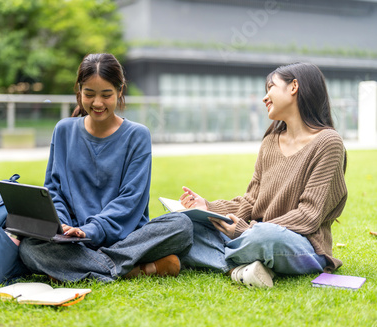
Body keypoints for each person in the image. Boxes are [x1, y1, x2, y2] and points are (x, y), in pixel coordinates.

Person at [19, 53, 192, 283]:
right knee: (28, 248)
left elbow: (131, 200)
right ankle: (132, 269)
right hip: (74, 238)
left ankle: (81, 267)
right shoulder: (63, 130)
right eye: (89, 94)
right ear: (79, 91)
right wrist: (61, 225)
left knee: (182, 226)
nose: (97, 103)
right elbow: (54, 191)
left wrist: (91, 230)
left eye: (106, 95)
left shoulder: (137, 135)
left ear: (120, 91)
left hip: (126, 237)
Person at [178, 62, 348, 288]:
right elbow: (250, 201)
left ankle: (218, 257)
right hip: (254, 235)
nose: (264, 97)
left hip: (298, 244)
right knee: (185, 225)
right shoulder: (270, 142)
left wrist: (247, 231)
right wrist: (207, 207)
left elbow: (308, 216)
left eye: (271, 87)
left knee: (264, 238)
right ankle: (243, 268)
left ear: (294, 87)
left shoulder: (328, 142)